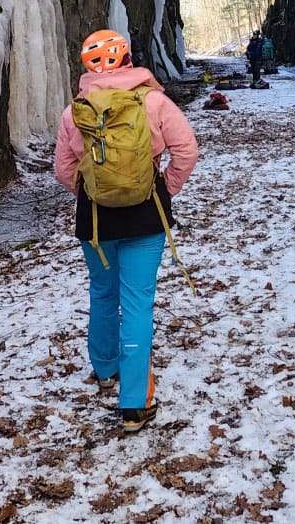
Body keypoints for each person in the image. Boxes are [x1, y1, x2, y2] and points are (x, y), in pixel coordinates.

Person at [54, 29, 199, 432]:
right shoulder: (154, 101)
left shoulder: (74, 111)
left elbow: (64, 170)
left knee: (102, 293)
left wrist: (94, 192)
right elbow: (187, 150)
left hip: (95, 219)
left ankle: (104, 369)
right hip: (145, 216)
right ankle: (135, 402)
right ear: (129, 59)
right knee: (137, 302)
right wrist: (162, 188)